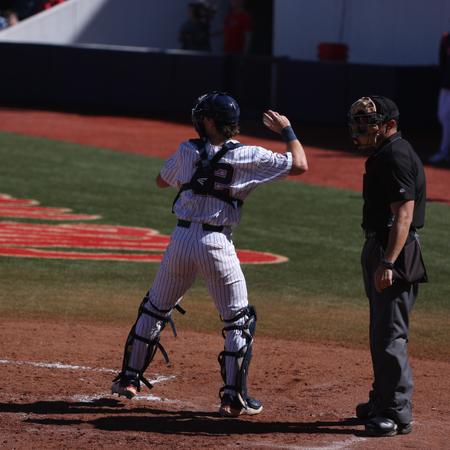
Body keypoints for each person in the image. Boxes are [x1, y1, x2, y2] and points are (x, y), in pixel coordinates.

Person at [111, 91, 308, 417]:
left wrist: (193, 182)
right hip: (217, 245)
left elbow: (162, 181)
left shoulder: (187, 150)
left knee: (155, 308)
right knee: (237, 321)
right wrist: (287, 130)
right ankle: (232, 397)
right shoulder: (249, 156)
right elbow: (300, 164)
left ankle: (129, 379)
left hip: (181, 239)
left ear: (207, 121)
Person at [348, 95, 427, 437]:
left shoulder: (395, 155)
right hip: (382, 246)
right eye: (360, 121)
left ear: (389, 124)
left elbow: (404, 214)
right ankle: (383, 399)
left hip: (393, 251)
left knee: (390, 335)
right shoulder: (385, 153)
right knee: (380, 332)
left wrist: (388, 261)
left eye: (369, 121)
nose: (362, 127)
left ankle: (397, 413)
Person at [429, 30, 450, 164]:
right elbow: (442, 62)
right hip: (446, 85)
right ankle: (444, 152)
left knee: (446, 117)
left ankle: (444, 151)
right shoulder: (446, 38)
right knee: (443, 116)